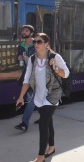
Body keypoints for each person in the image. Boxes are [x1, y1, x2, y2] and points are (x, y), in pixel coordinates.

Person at [16, 33, 69, 162]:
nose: (36, 44)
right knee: (48, 122)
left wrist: (55, 68)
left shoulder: (55, 57)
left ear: (46, 44)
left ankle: (40, 157)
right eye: (34, 41)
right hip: (39, 96)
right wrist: (21, 97)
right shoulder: (33, 59)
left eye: (39, 42)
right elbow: (27, 79)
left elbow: (66, 74)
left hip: (52, 95)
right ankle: (52, 147)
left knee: (43, 124)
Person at [15, 25, 38, 132]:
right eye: (23, 30)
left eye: (26, 30)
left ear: (31, 33)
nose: (24, 32)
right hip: (26, 74)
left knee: (32, 100)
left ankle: (24, 123)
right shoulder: (22, 45)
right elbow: (19, 59)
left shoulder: (36, 44)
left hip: (37, 75)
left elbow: (38, 62)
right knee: (35, 99)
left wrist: (28, 59)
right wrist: (19, 58)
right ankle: (45, 116)